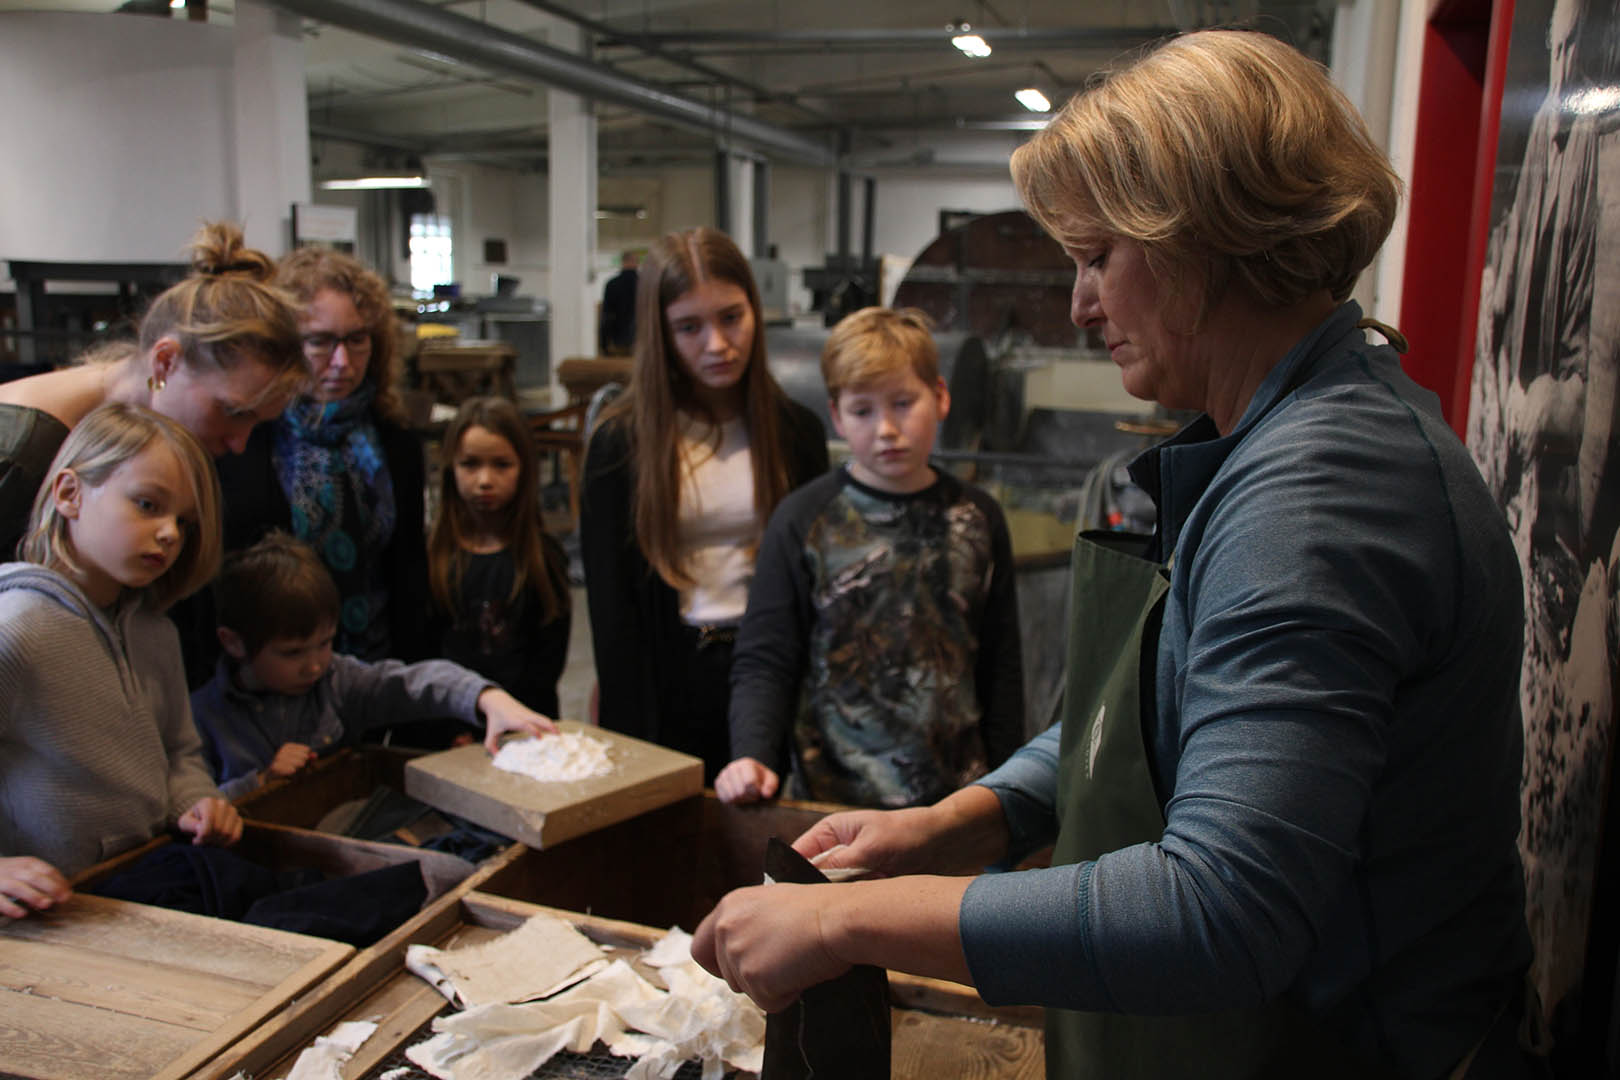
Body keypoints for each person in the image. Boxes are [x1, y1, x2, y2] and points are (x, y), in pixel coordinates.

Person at [693, 30, 1538, 1080]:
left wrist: (848, 926)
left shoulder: (1320, 492)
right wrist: (961, 822)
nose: (1081, 304)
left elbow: (1221, 908)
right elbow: (1158, 707)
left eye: (1098, 259)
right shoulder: (1277, 440)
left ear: (1204, 240)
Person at [716, 307, 1024, 808]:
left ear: (941, 397)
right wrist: (753, 753)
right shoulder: (802, 520)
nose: (886, 429)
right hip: (833, 800)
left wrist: (1011, 788)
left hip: (956, 801)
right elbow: (766, 658)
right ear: (837, 416)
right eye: (863, 411)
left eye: (903, 403)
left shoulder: (978, 517)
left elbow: (1001, 665)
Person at [580, 227, 828, 782]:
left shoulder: (795, 433)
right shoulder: (621, 445)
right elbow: (612, 615)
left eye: (731, 317)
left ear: (756, 313)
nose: (717, 344)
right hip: (668, 676)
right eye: (689, 327)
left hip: (769, 670)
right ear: (660, 333)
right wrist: (630, 740)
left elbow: (815, 581)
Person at [0, 402, 241, 919]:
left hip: (146, 881)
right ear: (69, 494)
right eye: (148, 504)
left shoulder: (155, 633)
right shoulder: (17, 627)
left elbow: (180, 753)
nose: (171, 533)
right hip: (54, 918)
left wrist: (195, 800)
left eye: (183, 520)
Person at [0, 222, 306, 560]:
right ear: (164, 362)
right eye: (232, 411)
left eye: (257, 423)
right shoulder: (21, 454)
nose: (239, 443)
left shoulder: (144, 426)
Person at [190, 531, 558, 800]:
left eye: (324, 643)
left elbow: (414, 683)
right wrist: (261, 781)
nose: (314, 665)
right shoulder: (204, 715)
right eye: (292, 653)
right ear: (233, 642)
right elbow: (192, 806)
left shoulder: (338, 681)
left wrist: (488, 699)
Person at [215, 246, 431, 670]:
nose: (342, 362)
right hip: (268, 679)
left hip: (377, 668)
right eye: (320, 342)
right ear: (283, 343)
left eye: (357, 340)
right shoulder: (247, 437)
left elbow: (410, 576)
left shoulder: (395, 438)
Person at [428, 396, 571, 719]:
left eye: (501, 465)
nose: (485, 481)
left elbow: (546, 664)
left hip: (525, 729)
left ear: (524, 468)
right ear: (451, 466)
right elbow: (425, 656)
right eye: (470, 464)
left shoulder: (543, 558)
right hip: (449, 728)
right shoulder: (433, 557)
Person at [599, 249, 641, 355]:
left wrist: (603, 343)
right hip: (641, 340)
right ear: (637, 262)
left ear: (623, 262)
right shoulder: (645, 284)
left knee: (620, 369)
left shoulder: (612, 285)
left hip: (618, 340)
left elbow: (607, 315)